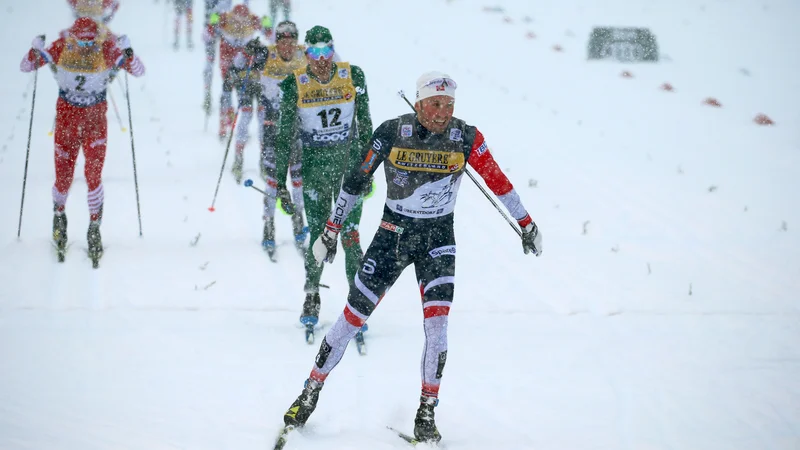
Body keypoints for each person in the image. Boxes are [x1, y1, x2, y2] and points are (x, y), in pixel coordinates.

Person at [280, 71, 543, 443]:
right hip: (393, 236)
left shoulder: (466, 137)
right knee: (351, 318)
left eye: (449, 105)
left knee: (438, 326)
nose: (442, 113)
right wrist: (331, 229)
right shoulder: (391, 131)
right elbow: (356, 180)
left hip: (438, 240)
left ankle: (426, 412)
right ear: (418, 103)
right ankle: (309, 393)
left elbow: (497, 180)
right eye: (434, 104)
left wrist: (526, 224)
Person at [20, 17, 145, 266]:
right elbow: (26, 66)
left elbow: (139, 71)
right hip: (67, 120)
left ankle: (94, 228)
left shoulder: (107, 49)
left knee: (93, 175)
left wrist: (129, 53)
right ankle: (59, 217)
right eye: (80, 43)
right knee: (63, 175)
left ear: (97, 40)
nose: (85, 49)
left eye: (90, 44)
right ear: (72, 38)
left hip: (95, 122)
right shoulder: (61, 46)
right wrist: (34, 50)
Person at [273, 25, 373, 333]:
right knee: (319, 234)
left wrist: (368, 168)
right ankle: (312, 295)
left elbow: (366, 123)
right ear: (306, 53)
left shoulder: (353, 76)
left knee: (350, 235)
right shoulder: (294, 84)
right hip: (316, 168)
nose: (321, 59)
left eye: (326, 51)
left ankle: (355, 303)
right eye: (314, 53)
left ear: (333, 50)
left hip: (349, 165)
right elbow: (284, 136)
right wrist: (279, 181)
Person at [258, 20, 307, 260]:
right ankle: (268, 225)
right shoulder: (265, 54)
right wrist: (249, 60)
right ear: (276, 41)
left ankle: (299, 221)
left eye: (291, 40)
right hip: (272, 124)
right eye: (282, 40)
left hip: (297, 125)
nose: (286, 45)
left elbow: (335, 61)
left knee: (298, 178)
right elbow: (240, 68)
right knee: (272, 178)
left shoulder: (305, 55)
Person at [203, 3, 271, 139]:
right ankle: (224, 122)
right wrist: (213, 22)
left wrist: (266, 24)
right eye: (235, 20)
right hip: (227, 62)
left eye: (243, 21)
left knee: (241, 91)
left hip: (244, 63)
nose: (239, 25)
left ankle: (235, 123)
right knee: (227, 90)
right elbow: (207, 35)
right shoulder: (225, 18)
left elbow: (270, 34)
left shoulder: (252, 19)